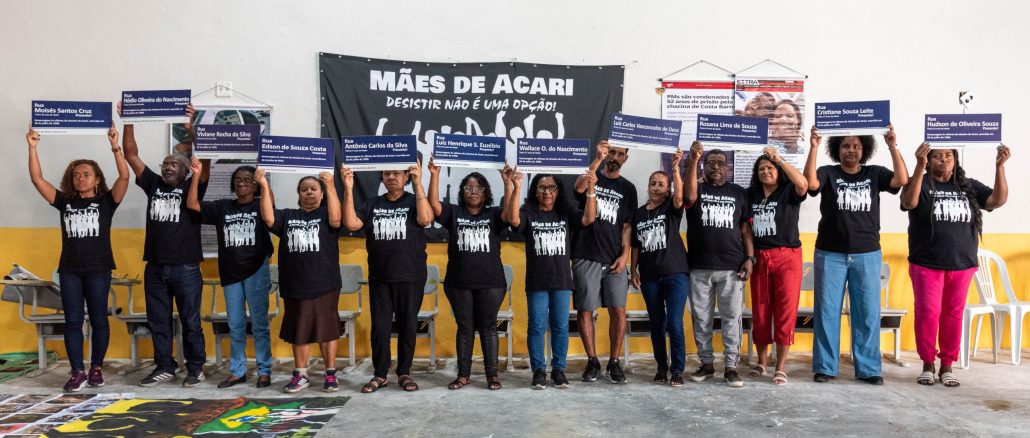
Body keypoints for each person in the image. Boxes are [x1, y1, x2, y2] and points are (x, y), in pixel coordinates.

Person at [803, 125, 909, 385]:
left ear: (864, 149)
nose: (851, 150)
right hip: (830, 253)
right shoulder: (828, 172)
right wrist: (814, 147)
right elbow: (811, 184)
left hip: (867, 253)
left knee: (867, 313)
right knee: (827, 312)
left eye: (856, 146)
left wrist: (893, 146)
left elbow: (901, 180)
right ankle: (825, 367)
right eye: (846, 146)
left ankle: (869, 369)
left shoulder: (875, 173)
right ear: (837, 149)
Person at [27, 125, 128, 392]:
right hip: (70, 269)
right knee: (72, 321)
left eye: (86, 174)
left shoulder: (107, 202)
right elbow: (37, 180)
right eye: (76, 175)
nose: (80, 179)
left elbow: (124, 176)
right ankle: (77, 371)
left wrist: (115, 147)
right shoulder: (65, 202)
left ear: (97, 179)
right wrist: (32, 147)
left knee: (99, 319)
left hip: (98, 268)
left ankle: (96, 368)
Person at [901, 144, 1009, 388]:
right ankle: (928, 363)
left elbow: (997, 199)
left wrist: (999, 167)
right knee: (928, 313)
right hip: (926, 262)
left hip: (961, 263)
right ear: (929, 160)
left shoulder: (968, 185)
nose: (944, 160)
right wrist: (919, 166)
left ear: (955, 159)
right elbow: (909, 202)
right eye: (937, 156)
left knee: (953, 314)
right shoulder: (921, 182)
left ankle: (947, 364)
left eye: (948, 155)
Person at [122, 105, 210, 387]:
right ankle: (165, 366)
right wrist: (128, 119)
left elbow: (206, 159)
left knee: (191, 321)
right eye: (165, 164)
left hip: (186, 267)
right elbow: (130, 154)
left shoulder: (192, 187)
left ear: (185, 171)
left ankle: (195, 368)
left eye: (174, 165)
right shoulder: (153, 184)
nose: (168, 167)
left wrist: (192, 127)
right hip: (156, 267)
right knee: (158, 321)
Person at [341, 161, 434, 393]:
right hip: (381, 276)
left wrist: (419, 183)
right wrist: (348, 188)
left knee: (407, 326)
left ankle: (404, 372)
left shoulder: (414, 201)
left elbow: (426, 219)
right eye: (386, 174)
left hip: (411, 275)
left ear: (405, 177)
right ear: (382, 178)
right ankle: (380, 374)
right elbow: (351, 223)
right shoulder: (373, 203)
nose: (391, 177)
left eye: (396, 173)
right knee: (380, 327)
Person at [428, 159, 513, 390]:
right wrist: (434, 174)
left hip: (491, 282)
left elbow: (510, 214)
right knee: (465, 328)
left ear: (485, 193)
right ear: (462, 192)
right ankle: (463, 375)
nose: (473, 191)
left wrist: (508, 183)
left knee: (488, 327)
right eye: (468, 187)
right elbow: (433, 205)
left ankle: (492, 375)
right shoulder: (453, 213)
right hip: (459, 282)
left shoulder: (493, 214)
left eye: (478, 188)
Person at [187, 163, 274, 389]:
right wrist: (196, 176)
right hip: (230, 273)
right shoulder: (222, 207)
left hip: (256, 269)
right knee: (235, 325)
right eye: (238, 180)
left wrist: (263, 181)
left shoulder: (261, 205)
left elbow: (271, 209)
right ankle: (238, 371)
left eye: (247, 180)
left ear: (255, 185)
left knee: (260, 325)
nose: (242, 183)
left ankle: (264, 370)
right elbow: (192, 204)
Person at [508, 171, 597, 389]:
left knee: (560, 327)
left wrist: (591, 189)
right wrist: (516, 187)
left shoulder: (566, 213)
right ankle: (539, 371)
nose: (547, 192)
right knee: (537, 327)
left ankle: (558, 370)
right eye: (542, 188)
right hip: (537, 281)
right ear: (535, 191)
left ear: (558, 191)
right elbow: (513, 220)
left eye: (551, 188)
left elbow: (588, 218)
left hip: (562, 281)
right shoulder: (529, 212)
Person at [257, 168, 342, 393]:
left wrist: (330, 185)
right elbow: (268, 218)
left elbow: (336, 220)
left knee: (326, 329)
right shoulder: (287, 216)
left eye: (314, 189)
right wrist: (263, 184)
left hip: (325, 283)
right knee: (300, 330)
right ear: (299, 194)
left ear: (321, 194)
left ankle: (330, 374)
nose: (309, 192)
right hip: (295, 284)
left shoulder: (327, 214)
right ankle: (301, 374)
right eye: (304, 190)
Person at [683, 141, 754, 388]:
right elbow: (688, 197)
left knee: (731, 318)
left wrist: (750, 258)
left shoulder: (739, 193)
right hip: (699, 266)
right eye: (711, 163)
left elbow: (746, 230)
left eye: (721, 163)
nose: (716, 167)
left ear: (728, 167)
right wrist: (693, 159)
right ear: (704, 166)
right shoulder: (697, 189)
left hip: (732, 267)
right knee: (701, 319)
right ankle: (706, 364)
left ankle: (731, 367)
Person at [572, 141, 637, 383]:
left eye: (620, 154)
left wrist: (625, 254)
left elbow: (627, 226)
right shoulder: (593, 176)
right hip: (586, 254)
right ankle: (592, 361)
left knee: (618, 310)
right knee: (585, 310)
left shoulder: (628, 188)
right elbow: (579, 188)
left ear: (625, 159)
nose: (615, 157)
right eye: (611, 152)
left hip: (614, 258)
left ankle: (614, 362)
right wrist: (598, 159)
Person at [746, 147, 808, 385]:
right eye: (761, 169)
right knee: (761, 312)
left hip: (787, 257)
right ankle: (762, 362)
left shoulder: (788, 192)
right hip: (760, 258)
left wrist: (779, 159)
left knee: (785, 312)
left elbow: (803, 183)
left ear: (779, 170)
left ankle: (780, 366)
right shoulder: (751, 195)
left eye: (770, 168)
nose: (766, 171)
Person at [628, 149, 689, 386]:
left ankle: (677, 370)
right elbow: (635, 245)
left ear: (668, 188)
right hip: (650, 277)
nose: (656, 187)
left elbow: (680, 198)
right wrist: (633, 270)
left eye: (661, 184)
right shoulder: (639, 214)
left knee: (674, 323)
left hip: (675, 274)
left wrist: (675, 169)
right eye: (652, 183)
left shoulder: (671, 208)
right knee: (657, 324)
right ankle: (661, 368)